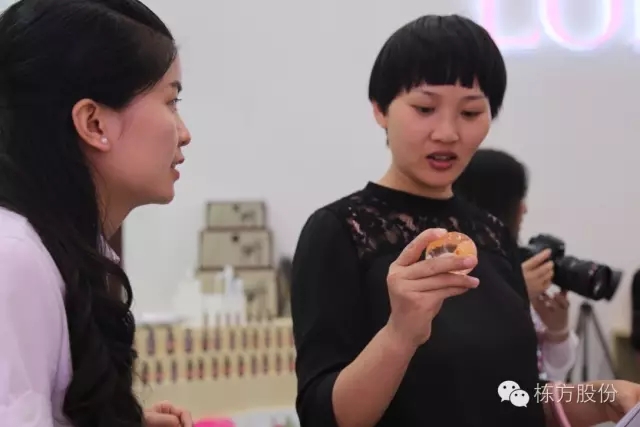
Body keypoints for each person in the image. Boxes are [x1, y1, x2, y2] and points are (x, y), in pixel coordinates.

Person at [289, 14, 640, 427]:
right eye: (424, 108)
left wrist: (605, 397)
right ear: (380, 109)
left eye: (471, 112)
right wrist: (399, 334)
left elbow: (511, 394)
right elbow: (323, 416)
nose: (447, 133)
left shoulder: (492, 233)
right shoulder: (339, 231)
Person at [0, 0, 192, 426]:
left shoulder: (62, 250)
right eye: (171, 101)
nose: (184, 134)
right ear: (94, 124)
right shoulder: (14, 257)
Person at [453, 148, 578, 382]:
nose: (525, 209)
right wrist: (512, 296)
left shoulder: (517, 264)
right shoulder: (450, 269)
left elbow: (552, 373)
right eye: (519, 198)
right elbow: (458, 359)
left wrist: (557, 331)